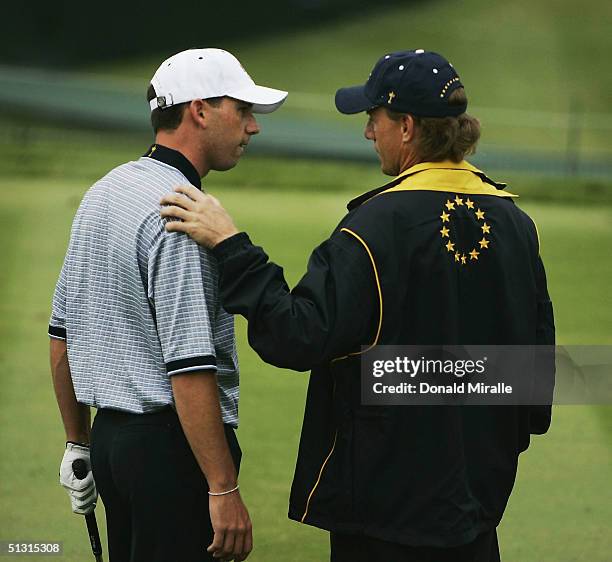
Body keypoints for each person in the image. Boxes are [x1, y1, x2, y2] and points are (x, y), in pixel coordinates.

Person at [159, 50, 555, 561]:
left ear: (407, 127)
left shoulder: (374, 228)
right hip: (477, 511)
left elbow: (297, 334)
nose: (369, 133)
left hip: (383, 518)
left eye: (374, 119)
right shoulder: (518, 226)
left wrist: (232, 246)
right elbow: (535, 381)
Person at [49, 48, 287, 562]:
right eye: (242, 111)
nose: (253, 128)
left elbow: (61, 337)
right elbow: (188, 366)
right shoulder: (183, 214)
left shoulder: (103, 192)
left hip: (112, 443)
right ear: (199, 110)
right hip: (171, 452)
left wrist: (79, 443)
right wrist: (223, 488)